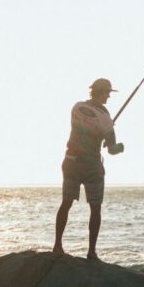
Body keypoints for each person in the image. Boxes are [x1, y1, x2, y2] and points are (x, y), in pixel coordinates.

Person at [53, 78, 124, 260]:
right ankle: (91, 252)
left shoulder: (76, 107)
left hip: (71, 162)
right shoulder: (105, 119)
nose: (109, 96)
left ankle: (57, 245)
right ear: (101, 92)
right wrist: (120, 146)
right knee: (95, 208)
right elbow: (112, 149)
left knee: (66, 203)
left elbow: (86, 125)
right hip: (91, 166)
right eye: (107, 92)